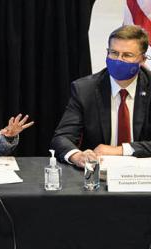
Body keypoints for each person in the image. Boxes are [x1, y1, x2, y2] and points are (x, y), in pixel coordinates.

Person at [51, 25, 151, 167]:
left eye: (127, 55)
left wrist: (121, 150)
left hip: (143, 174)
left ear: (142, 60)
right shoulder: (85, 89)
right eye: (114, 53)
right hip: (99, 171)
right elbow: (62, 138)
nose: (118, 60)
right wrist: (78, 156)